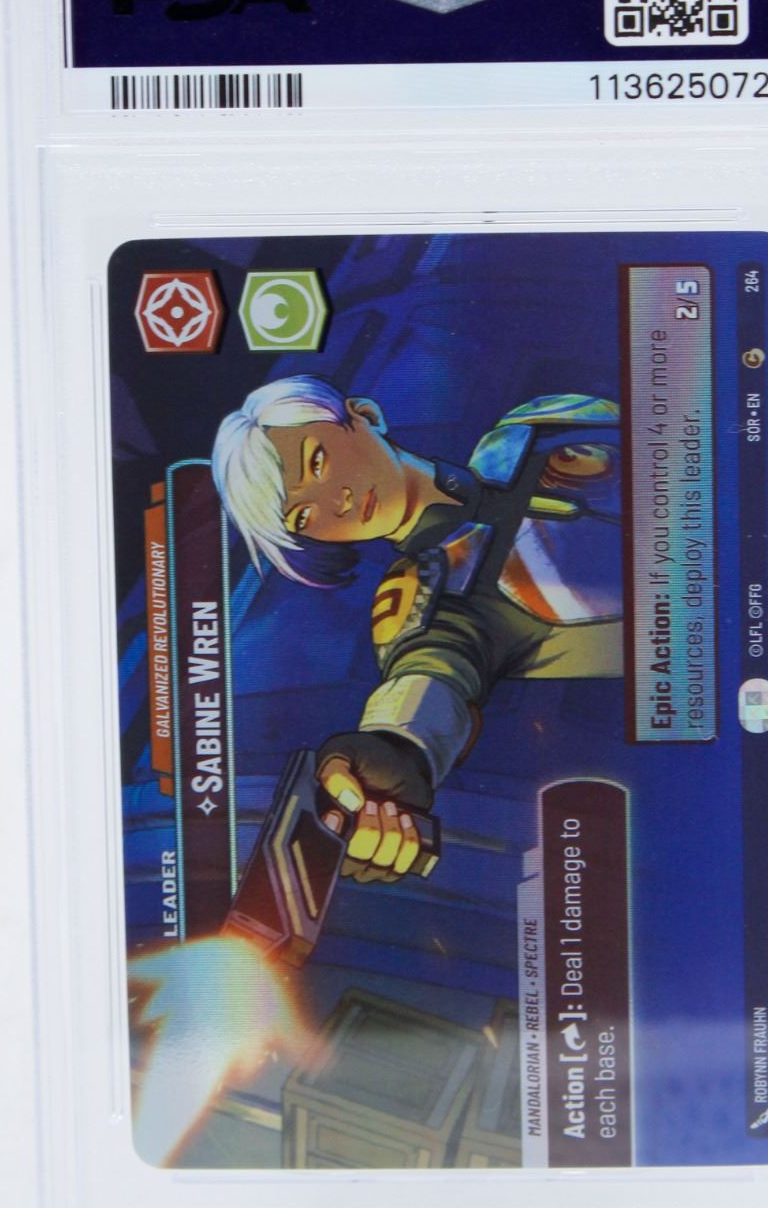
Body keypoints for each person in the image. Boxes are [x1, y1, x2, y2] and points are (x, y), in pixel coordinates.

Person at [213, 377, 622, 883]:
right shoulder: (429, 597)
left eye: (318, 462)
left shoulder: (536, 425)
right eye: (303, 515)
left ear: (363, 415)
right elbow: (431, 672)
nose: (335, 502)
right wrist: (393, 751)